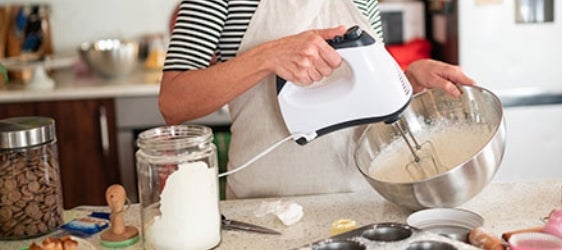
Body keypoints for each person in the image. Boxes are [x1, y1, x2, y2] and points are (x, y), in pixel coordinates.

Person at [160, 0, 476, 199]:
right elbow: (174, 102)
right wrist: (269, 56)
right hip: (266, 211)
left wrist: (408, 78)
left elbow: (367, 90)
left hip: (363, 201)